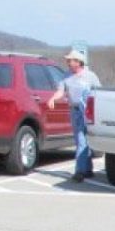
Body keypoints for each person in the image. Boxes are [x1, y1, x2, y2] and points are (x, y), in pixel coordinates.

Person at [48, 50, 101, 182]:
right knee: (80, 140)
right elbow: (61, 91)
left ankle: (80, 171)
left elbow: (99, 92)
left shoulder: (90, 76)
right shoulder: (66, 76)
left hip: (88, 111)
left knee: (82, 139)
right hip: (75, 110)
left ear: (78, 62)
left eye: (70, 60)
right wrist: (53, 99)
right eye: (68, 60)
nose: (68, 62)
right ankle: (87, 169)